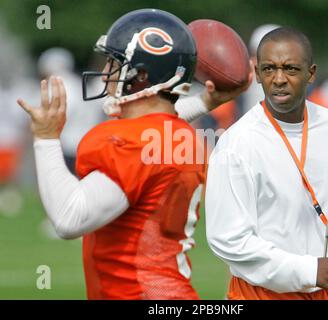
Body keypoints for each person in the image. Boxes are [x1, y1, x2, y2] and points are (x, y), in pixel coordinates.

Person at [17, 9, 250, 299]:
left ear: (140, 75)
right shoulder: (181, 136)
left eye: (115, 65)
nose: (105, 74)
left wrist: (46, 139)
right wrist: (205, 101)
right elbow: (163, 126)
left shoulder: (132, 143)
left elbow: (69, 218)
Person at [205, 27, 328, 300]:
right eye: (269, 69)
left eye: (290, 69)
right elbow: (228, 240)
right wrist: (308, 269)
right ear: (256, 74)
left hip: (325, 287)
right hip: (263, 294)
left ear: (311, 73)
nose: (279, 79)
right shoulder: (237, 143)